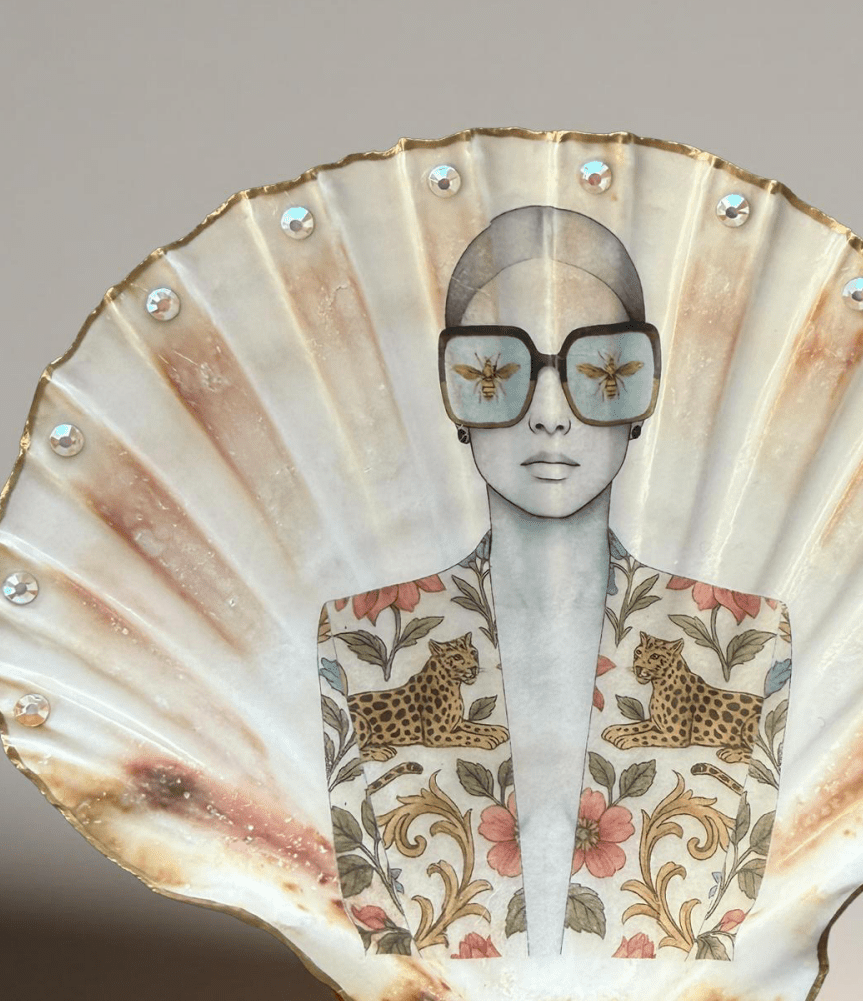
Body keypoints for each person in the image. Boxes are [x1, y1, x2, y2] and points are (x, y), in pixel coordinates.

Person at [316, 206, 791, 961]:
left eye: (600, 370)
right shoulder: (360, 639)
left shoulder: (746, 639)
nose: (548, 416)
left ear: (644, 394)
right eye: (495, 371)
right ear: (453, 397)